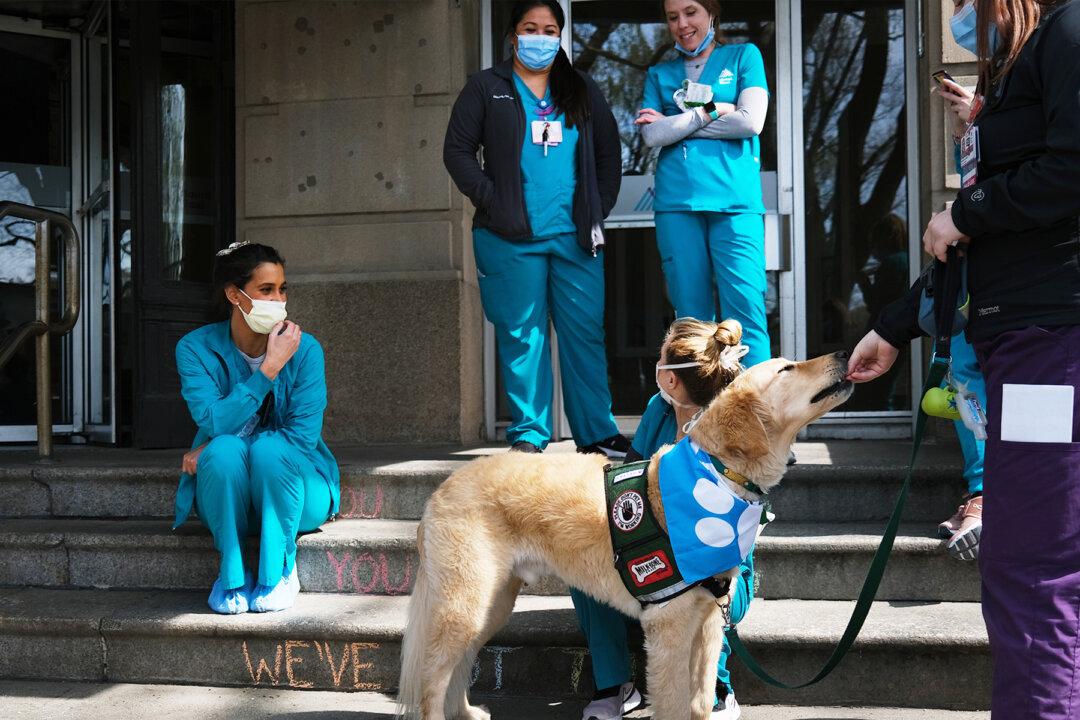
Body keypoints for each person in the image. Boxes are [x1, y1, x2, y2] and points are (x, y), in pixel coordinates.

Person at [847, 0, 1080, 716]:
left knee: (1031, 569)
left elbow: (1067, 171)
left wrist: (966, 212)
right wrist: (894, 326)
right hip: (1024, 339)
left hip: (1051, 351)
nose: (968, 14)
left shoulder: (1067, 32)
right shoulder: (1019, 66)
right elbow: (980, 241)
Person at [443, 0, 628, 457]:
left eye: (549, 29)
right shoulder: (487, 87)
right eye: (531, 28)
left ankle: (598, 434)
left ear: (559, 36)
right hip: (509, 237)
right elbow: (458, 153)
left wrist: (596, 209)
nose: (540, 37)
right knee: (522, 335)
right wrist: (493, 200)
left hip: (575, 237)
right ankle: (530, 434)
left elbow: (608, 155)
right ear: (513, 35)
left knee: (584, 333)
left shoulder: (581, 88)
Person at [570, 318, 752, 720]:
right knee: (582, 561)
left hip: (717, 566)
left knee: (708, 581)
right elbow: (627, 481)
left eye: (661, 357)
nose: (657, 363)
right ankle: (613, 685)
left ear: (670, 379)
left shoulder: (732, 426)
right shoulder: (658, 409)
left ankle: (717, 686)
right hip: (650, 553)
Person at [175, 242, 340, 614]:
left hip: (295, 491)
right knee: (223, 451)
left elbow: (300, 438)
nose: (278, 300)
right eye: (266, 290)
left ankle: (279, 571)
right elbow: (213, 421)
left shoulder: (305, 349)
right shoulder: (195, 349)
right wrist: (267, 370)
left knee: (264, 450)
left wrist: (222, 441)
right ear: (235, 294)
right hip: (228, 493)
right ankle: (231, 576)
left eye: (282, 289)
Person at [636, 0, 772, 368]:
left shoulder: (745, 56)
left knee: (745, 314)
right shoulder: (658, 74)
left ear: (712, 12)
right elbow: (651, 136)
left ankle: (758, 418)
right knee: (690, 324)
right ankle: (700, 419)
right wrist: (710, 112)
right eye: (672, 16)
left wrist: (676, 125)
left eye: (691, 12)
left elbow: (750, 122)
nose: (682, 24)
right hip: (677, 206)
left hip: (735, 205)